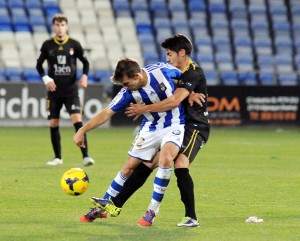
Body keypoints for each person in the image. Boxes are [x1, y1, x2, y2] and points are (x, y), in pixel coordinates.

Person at [90, 34, 210, 228]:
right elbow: (173, 88)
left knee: (179, 162)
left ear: (182, 53)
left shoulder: (193, 72)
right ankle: (115, 204)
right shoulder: (175, 72)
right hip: (177, 124)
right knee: (147, 163)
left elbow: (174, 100)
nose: (168, 58)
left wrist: (143, 109)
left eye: (170, 54)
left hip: (195, 126)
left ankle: (190, 216)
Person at [73, 57, 186, 224]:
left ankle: (152, 211)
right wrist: (82, 130)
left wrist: (194, 91)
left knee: (165, 159)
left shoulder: (161, 70)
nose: (124, 87)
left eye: (126, 83)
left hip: (175, 124)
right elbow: (107, 112)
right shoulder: (127, 93)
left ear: (137, 76)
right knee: (128, 167)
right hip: (150, 127)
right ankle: (102, 208)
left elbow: (186, 78)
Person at [36, 14, 94, 166]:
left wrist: (85, 76)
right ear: (53, 27)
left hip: (71, 91)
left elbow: (85, 62)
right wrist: (45, 79)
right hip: (54, 92)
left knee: (77, 121)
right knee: (54, 123)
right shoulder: (48, 45)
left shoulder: (74, 44)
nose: (60, 28)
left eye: (62, 25)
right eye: (57, 25)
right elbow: (39, 65)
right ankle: (57, 157)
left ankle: (86, 156)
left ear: (66, 27)